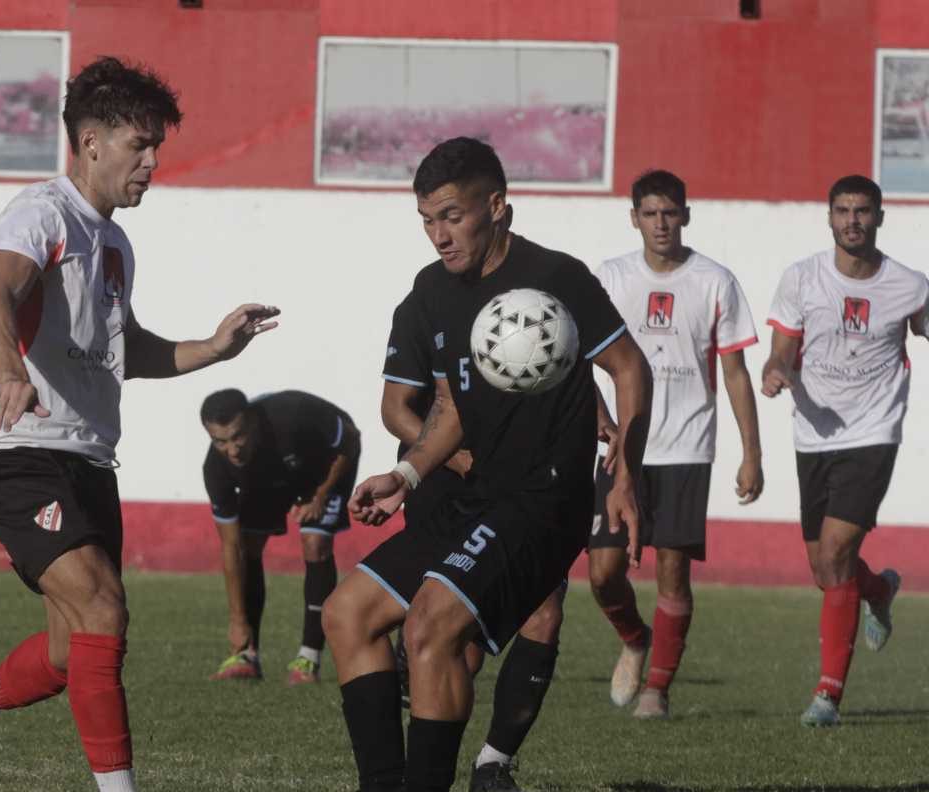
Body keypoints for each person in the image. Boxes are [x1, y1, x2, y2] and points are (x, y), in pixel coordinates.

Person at [0, 57, 279, 792]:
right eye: (138, 146)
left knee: (70, 648)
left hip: (86, 458)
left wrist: (213, 347)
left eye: (157, 148)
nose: (152, 163)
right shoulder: (40, 214)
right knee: (103, 608)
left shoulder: (115, 244)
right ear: (90, 144)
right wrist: (12, 373)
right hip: (12, 446)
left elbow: (123, 351)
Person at [323, 137, 652, 792]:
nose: (438, 236)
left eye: (451, 215)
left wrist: (624, 472)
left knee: (431, 625)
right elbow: (449, 407)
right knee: (346, 613)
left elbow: (628, 367)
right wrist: (407, 475)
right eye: (426, 221)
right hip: (472, 501)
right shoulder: (435, 292)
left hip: (542, 503)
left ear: (497, 206)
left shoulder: (557, 278)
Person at [586, 170, 763, 719]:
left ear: (685, 216)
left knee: (672, 571)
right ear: (634, 217)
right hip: (624, 452)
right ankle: (634, 637)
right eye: (650, 213)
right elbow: (573, 359)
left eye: (670, 212)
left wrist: (751, 453)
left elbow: (734, 371)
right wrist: (600, 417)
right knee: (603, 573)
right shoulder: (610, 278)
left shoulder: (715, 280)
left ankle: (657, 690)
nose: (661, 223)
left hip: (687, 448)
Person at [383, 281, 568, 792]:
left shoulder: (534, 301)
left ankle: (493, 763)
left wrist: (602, 420)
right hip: (443, 486)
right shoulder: (424, 303)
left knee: (544, 610)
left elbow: (562, 367)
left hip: (521, 487)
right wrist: (460, 460)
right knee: (450, 640)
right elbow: (396, 410)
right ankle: (421, 769)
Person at [761, 174, 925, 727]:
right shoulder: (803, 278)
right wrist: (776, 369)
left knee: (834, 555)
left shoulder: (908, 285)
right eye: (843, 210)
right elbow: (782, 348)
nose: (852, 219)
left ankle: (827, 697)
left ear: (879, 218)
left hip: (873, 432)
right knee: (825, 567)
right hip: (814, 434)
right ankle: (878, 591)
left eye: (862, 210)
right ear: (829, 218)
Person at [200, 388, 360, 684]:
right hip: (272, 475)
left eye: (238, 436)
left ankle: (307, 660)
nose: (232, 449)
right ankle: (247, 656)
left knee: (315, 543)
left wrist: (321, 494)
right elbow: (230, 547)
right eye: (220, 441)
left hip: (324, 465)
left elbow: (349, 438)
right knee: (248, 546)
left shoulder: (292, 414)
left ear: (252, 422)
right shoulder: (217, 468)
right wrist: (237, 619)